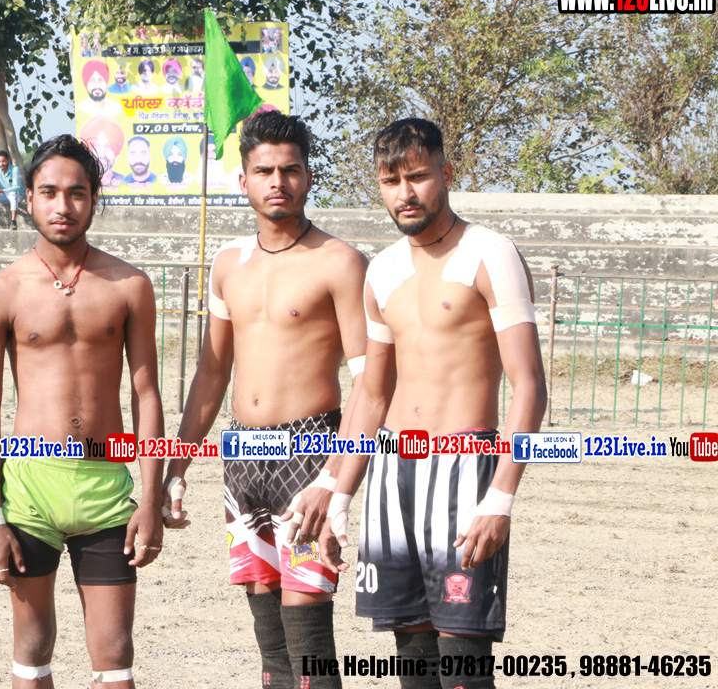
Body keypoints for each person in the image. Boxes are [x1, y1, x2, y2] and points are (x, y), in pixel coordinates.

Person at [320, 118, 547, 689]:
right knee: (413, 659)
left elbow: (529, 386)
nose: (405, 193)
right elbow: (373, 394)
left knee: (463, 662)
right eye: (390, 181)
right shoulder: (381, 271)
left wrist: (501, 498)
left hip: (466, 472)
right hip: (393, 473)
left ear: (446, 173)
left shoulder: (490, 253)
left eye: (418, 176)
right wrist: (340, 493)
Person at [163, 111, 368, 689]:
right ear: (243, 180)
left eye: (290, 170)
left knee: (308, 626)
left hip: (311, 451)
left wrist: (335, 478)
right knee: (267, 629)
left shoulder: (340, 261)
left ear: (308, 177)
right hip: (243, 456)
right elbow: (211, 374)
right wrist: (177, 467)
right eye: (264, 171)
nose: (278, 181)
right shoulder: (228, 264)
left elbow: (370, 381)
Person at [0, 134, 164, 689]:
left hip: (104, 484)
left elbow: (146, 395)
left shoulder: (129, 286)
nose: (63, 205)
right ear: (28, 197)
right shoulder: (1, 292)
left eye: (77, 193)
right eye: (50, 192)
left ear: (94, 199)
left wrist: (150, 500)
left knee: (115, 652)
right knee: (32, 647)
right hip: (29, 486)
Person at [80, 115, 126, 189]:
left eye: (108, 147)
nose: (102, 154)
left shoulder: (126, 183)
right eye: (96, 146)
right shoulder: (79, 182)